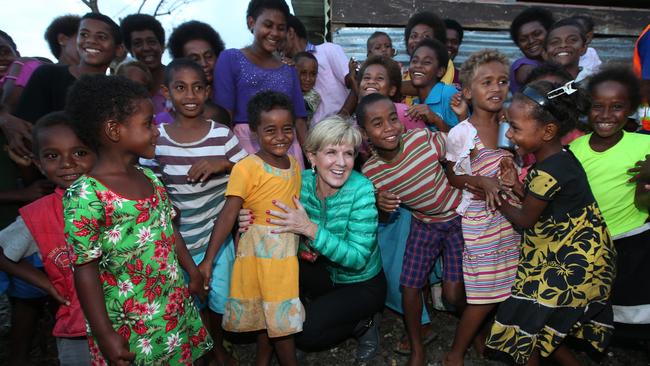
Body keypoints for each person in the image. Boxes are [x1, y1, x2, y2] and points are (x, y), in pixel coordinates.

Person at [63, 74, 212, 365]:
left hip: (171, 304)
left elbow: (168, 229)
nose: (156, 131)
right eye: (148, 124)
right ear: (114, 130)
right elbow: (85, 269)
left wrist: (192, 271)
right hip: (130, 323)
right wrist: (105, 334)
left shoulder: (149, 177)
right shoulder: (85, 195)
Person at [485, 80, 615, 365]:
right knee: (542, 332)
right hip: (580, 255)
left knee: (526, 325)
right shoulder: (561, 159)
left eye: (516, 128)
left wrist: (496, 194)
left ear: (548, 131)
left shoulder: (548, 171)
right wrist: (517, 188)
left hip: (573, 264)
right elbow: (547, 203)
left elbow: (526, 218)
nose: (509, 134)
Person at [140, 58, 246, 365]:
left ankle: (217, 346)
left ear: (207, 91)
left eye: (198, 88)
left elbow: (251, 172)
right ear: (166, 92)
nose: (190, 95)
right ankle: (196, 347)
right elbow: (150, 185)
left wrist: (224, 164)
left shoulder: (222, 136)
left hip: (218, 237)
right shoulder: (157, 139)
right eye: (180, 88)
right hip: (177, 241)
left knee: (219, 299)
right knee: (188, 298)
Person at [358, 93, 464, 366]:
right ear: (364, 132)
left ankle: (473, 329)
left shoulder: (420, 140)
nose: (390, 128)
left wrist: (446, 120)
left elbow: (457, 144)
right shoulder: (371, 171)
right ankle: (418, 347)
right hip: (424, 225)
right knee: (409, 287)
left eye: (393, 118)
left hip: (457, 220)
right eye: (378, 123)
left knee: (454, 293)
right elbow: (380, 211)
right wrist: (380, 204)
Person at [198, 91, 303, 366]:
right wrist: (209, 259)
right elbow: (229, 212)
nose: (280, 136)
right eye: (270, 130)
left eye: (287, 129)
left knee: (270, 314)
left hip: (285, 252)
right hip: (260, 252)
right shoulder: (246, 168)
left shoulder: (293, 165)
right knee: (282, 321)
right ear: (255, 132)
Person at [443, 50, 520, 366]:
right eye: (486, 82)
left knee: (508, 285)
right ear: (467, 91)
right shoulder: (462, 133)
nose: (496, 89)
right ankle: (455, 354)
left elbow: (515, 166)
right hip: (480, 219)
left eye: (502, 81)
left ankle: (493, 342)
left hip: (511, 217)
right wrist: (480, 181)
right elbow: (453, 175)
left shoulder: (510, 126)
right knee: (481, 295)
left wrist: (513, 183)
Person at [0, 111, 95, 366]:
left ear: (97, 154)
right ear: (39, 164)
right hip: (77, 331)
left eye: (80, 153)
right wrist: (46, 284)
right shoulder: (38, 215)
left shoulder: (116, 201)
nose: (67, 163)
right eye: (53, 156)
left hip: (130, 322)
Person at [569, 66, 650, 341]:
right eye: (597, 107)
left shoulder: (643, 145)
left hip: (631, 239)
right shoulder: (575, 149)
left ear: (631, 108)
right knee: (592, 301)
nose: (605, 115)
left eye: (616, 107)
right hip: (588, 241)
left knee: (634, 302)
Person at [213, 0, 307, 166]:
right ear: (251, 22)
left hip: (287, 149)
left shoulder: (289, 68)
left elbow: (299, 120)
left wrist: (312, 157)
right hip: (244, 148)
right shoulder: (231, 59)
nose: (274, 33)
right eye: (268, 25)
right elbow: (223, 116)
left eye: (281, 28)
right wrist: (221, 157)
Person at [281, 14, 355, 120]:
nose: (275, 40)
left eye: (279, 32)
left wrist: (337, 123)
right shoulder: (286, 67)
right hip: (310, 135)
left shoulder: (328, 50)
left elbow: (354, 85)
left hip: (341, 130)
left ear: (290, 33)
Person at [167, 20, 230, 126]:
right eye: (195, 59)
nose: (204, 63)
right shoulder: (176, 99)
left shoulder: (232, 88)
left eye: (208, 56)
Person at [407, 38, 462, 132]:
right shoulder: (415, 103)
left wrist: (436, 119)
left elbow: (464, 138)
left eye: (427, 62)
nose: (418, 65)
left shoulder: (449, 94)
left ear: (440, 71)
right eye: (414, 61)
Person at [120, 14, 167, 116]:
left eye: (151, 42)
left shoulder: (178, 80)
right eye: (138, 43)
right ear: (130, 50)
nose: (146, 48)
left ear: (162, 46)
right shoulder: (124, 88)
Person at [508, 7, 554, 94]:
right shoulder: (522, 66)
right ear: (518, 45)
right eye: (523, 39)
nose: (531, 41)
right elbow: (540, 81)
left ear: (550, 32)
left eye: (537, 34)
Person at [293, 51, 320, 127]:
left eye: (313, 74)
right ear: (293, 71)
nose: (308, 79)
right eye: (303, 73)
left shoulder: (314, 96)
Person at [444, 18, 464, 86]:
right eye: (445, 41)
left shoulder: (463, 79)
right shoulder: (425, 75)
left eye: (454, 42)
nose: (449, 45)